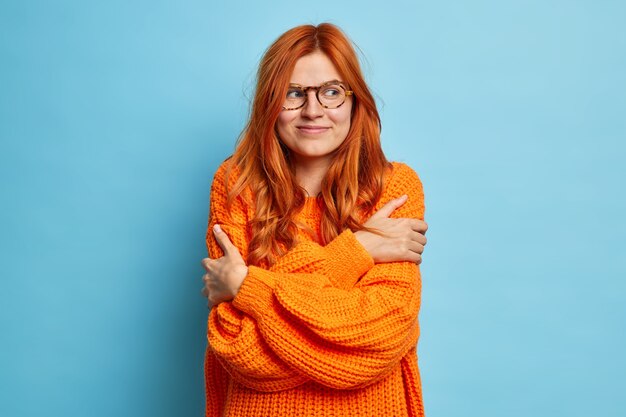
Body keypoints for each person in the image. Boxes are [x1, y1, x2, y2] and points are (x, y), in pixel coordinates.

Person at [200, 23, 428, 417]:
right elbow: (238, 347)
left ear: (356, 100)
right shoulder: (236, 184)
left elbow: (380, 338)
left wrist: (246, 286)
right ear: (270, 102)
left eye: (332, 92)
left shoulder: (393, 188)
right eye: (294, 93)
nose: (312, 110)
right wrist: (357, 250)